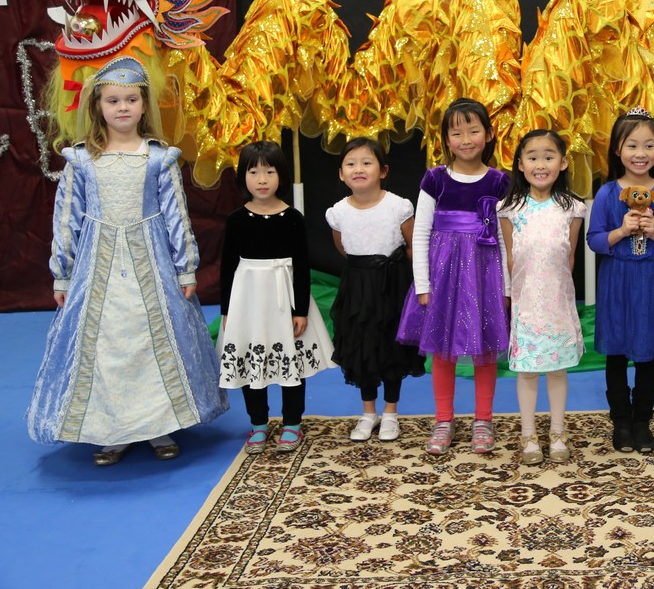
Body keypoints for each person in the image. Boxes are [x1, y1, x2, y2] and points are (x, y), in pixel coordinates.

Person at [27, 56, 228, 465]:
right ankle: (111, 430)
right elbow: (66, 218)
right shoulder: (82, 160)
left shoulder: (158, 158)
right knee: (107, 344)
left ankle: (159, 426)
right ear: (97, 106)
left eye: (131, 100)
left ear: (143, 105)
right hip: (97, 267)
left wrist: (185, 267)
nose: (122, 107)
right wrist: (62, 274)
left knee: (152, 339)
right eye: (113, 100)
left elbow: (176, 216)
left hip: (151, 265)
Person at [396, 98, 510, 455]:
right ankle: (443, 420)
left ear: (488, 134)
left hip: (484, 276)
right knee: (442, 349)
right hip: (443, 276)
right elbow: (420, 233)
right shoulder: (435, 179)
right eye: (456, 133)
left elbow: (504, 237)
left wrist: (506, 287)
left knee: (485, 349)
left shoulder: (499, 181)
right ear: (446, 139)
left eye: (473, 131)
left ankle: (483, 420)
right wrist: (423, 284)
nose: (465, 140)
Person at [219, 141, 336, 454]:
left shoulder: (293, 217)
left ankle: (292, 423)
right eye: (253, 172)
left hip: (285, 297)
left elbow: (302, 265)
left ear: (281, 175)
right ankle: (258, 423)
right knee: (250, 361)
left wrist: (301, 310)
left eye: (269, 172)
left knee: (290, 361)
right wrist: (227, 310)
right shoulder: (236, 220)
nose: (262, 180)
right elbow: (227, 267)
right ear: (242, 177)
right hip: (248, 301)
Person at [587, 107, 654, 454]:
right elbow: (594, 240)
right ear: (617, 149)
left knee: (647, 354)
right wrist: (621, 231)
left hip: (653, 281)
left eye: (648, 145)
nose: (640, 154)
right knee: (616, 353)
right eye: (632, 145)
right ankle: (621, 421)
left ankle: (642, 421)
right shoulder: (606, 194)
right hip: (616, 281)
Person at [326, 137, 424, 443]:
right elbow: (343, 248)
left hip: (392, 286)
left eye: (367, 163)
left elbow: (413, 246)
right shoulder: (338, 212)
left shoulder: (399, 206)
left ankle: (391, 412)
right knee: (361, 346)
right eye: (351, 164)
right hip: (357, 288)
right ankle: (368, 413)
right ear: (341, 173)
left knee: (391, 346)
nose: (358, 169)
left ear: (382, 171)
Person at [498, 130, 586, 465]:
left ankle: (558, 432)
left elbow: (570, 257)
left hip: (558, 302)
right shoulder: (509, 208)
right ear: (520, 164)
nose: (540, 164)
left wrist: (560, 295)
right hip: (527, 304)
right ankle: (529, 434)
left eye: (549, 157)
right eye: (532, 157)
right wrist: (513, 297)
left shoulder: (572, 208)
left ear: (562, 163)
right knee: (528, 371)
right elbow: (510, 258)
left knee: (558, 369)